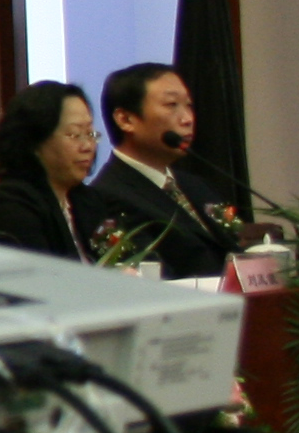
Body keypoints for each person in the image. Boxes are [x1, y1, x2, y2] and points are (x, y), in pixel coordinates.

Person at [89, 61, 242, 280]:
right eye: (171, 105)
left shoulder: (194, 185)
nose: (188, 119)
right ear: (126, 119)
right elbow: (150, 277)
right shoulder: (106, 198)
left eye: (189, 105)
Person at [0, 81, 111, 259]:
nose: (87, 146)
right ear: (35, 142)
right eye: (74, 135)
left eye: (90, 134)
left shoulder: (87, 201)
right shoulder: (12, 209)